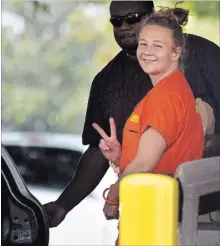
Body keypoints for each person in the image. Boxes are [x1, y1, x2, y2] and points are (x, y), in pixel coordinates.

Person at [44, 1, 220, 228]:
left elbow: (148, 157)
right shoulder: (108, 80)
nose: (124, 26)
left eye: (133, 17)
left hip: (206, 209)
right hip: (146, 208)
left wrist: (113, 196)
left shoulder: (201, 56)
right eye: (116, 21)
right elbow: (102, 150)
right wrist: (64, 204)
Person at [92, 7, 204, 244]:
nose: (147, 52)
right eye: (144, 44)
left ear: (176, 53)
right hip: (155, 216)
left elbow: (145, 163)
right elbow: (154, 155)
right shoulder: (174, 89)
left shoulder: (166, 97)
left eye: (158, 46)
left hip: (152, 220)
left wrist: (113, 196)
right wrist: (119, 156)